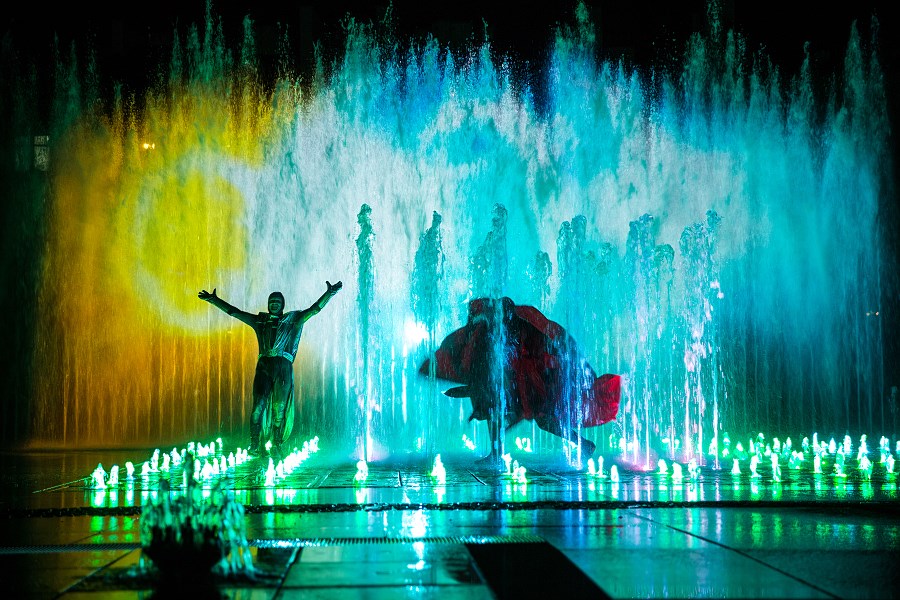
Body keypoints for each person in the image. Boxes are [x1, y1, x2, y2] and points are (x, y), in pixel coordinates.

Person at [420, 296, 620, 465]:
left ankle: (583, 444)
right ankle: (497, 454)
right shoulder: (491, 332)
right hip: (525, 379)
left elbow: (550, 346)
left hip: (541, 380)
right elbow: (485, 371)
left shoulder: (527, 327)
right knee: (498, 409)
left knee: (542, 419)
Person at [199, 281, 342, 459]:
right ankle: (254, 444)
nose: (274, 304)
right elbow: (235, 312)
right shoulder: (260, 321)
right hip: (264, 367)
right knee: (257, 407)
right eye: (271, 301)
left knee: (278, 409)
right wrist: (214, 300)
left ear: (282, 305)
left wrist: (329, 294)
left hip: (283, 368)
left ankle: (276, 443)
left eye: (277, 302)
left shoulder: (293, 320)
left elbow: (314, 310)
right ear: (268, 304)